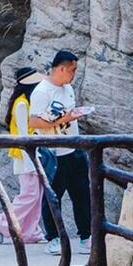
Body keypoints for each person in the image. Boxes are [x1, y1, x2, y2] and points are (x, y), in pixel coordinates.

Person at [28, 49, 90, 241]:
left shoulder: (68, 89)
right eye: (73, 70)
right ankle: (53, 238)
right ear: (62, 69)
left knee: (82, 195)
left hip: (74, 150)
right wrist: (64, 119)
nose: (74, 75)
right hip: (54, 153)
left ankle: (86, 237)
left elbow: (68, 113)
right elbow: (34, 122)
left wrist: (74, 115)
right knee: (53, 198)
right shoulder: (41, 91)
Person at [0, 68, 45, 244]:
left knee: (37, 195)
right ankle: (0, 222)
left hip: (33, 154)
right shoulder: (21, 104)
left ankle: (30, 232)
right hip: (25, 156)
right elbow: (23, 134)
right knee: (29, 195)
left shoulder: (27, 102)